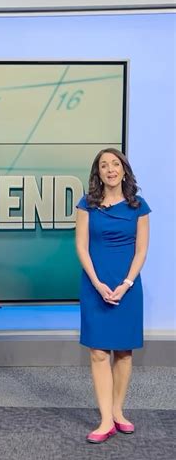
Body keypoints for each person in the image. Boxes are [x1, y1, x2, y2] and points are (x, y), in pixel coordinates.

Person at [75, 148, 151, 443]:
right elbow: (81, 247)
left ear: (124, 170)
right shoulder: (87, 205)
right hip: (95, 285)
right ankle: (105, 419)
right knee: (98, 352)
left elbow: (141, 250)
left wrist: (127, 283)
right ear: (98, 172)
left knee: (123, 351)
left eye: (115, 164)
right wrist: (96, 283)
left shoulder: (138, 206)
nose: (110, 169)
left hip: (127, 287)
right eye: (104, 165)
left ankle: (118, 412)